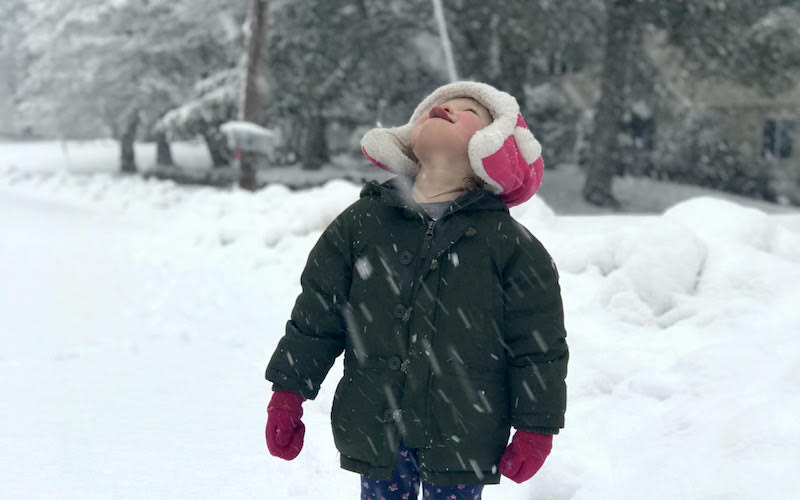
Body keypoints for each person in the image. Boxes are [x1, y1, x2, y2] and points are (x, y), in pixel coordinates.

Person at [264, 81, 568, 500]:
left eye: (468, 112)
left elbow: (538, 346)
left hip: (463, 429)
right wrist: (287, 391)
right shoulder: (361, 226)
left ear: (492, 145)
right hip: (377, 423)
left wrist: (537, 426)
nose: (445, 110)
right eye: (438, 106)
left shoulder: (510, 247)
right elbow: (317, 315)